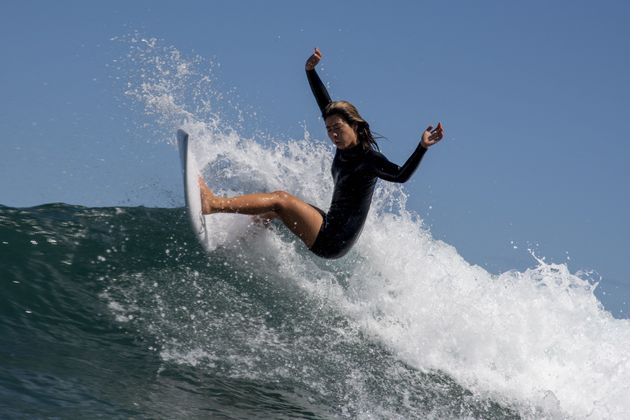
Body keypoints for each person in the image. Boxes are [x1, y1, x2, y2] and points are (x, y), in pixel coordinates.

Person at [198, 48, 444, 259]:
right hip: (328, 223)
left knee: (280, 199)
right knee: (273, 210)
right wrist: (310, 71)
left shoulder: (369, 159)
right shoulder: (342, 148)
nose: (333, 134)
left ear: (355, 126)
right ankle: (242, 240)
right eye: (328, 129)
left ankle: (214, 204)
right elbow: (326, 105)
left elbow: (401, 176)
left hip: (333, 240)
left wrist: (422, 147)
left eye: (338, 128)